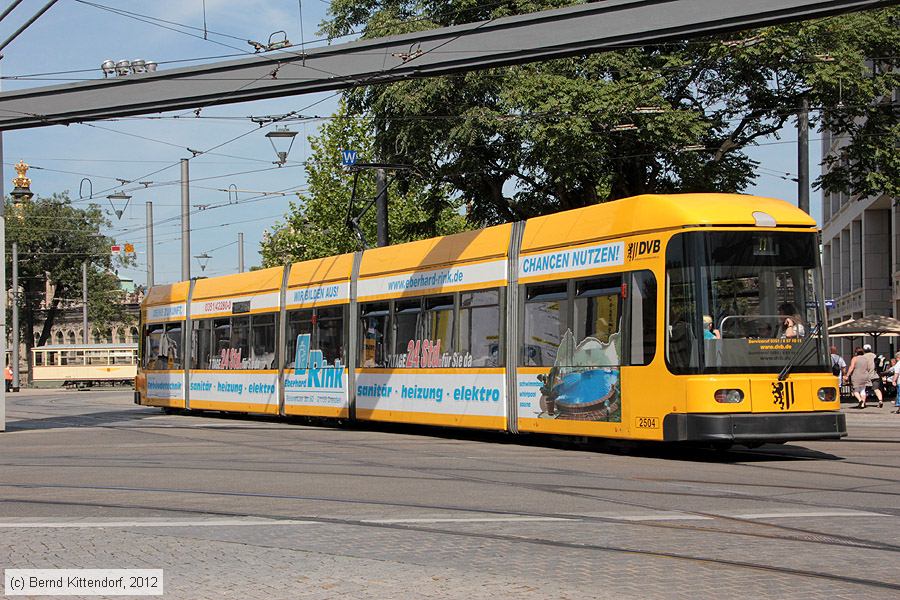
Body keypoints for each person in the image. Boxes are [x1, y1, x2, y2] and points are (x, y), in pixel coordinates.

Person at [863, 344, 884, 408]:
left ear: (864, 350)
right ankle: (880, 401)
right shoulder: (875, 356)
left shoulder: (863, 357)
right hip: (875, 375)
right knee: (876, 389)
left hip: (866, 375)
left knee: (863, 390)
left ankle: (863, 402)